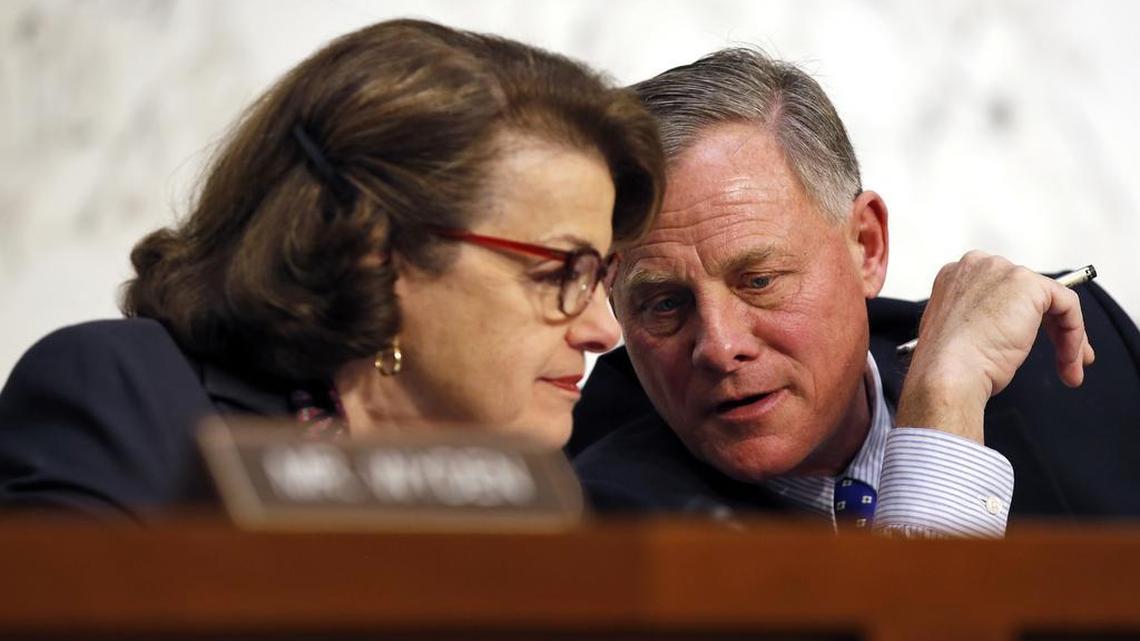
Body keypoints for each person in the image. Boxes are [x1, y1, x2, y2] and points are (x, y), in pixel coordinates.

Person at [0, 19, 664, 518]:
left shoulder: (557, 490)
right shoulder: (125, 397)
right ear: (376, 245)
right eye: (559, 271)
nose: (604, 330)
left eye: (600, 274)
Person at [571, 48, 1140, 536]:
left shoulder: (1073, 359)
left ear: (866, 246)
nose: (719, 347)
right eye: (665, 304)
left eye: (760, 281)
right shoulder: (592, 519)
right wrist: (942, 415)